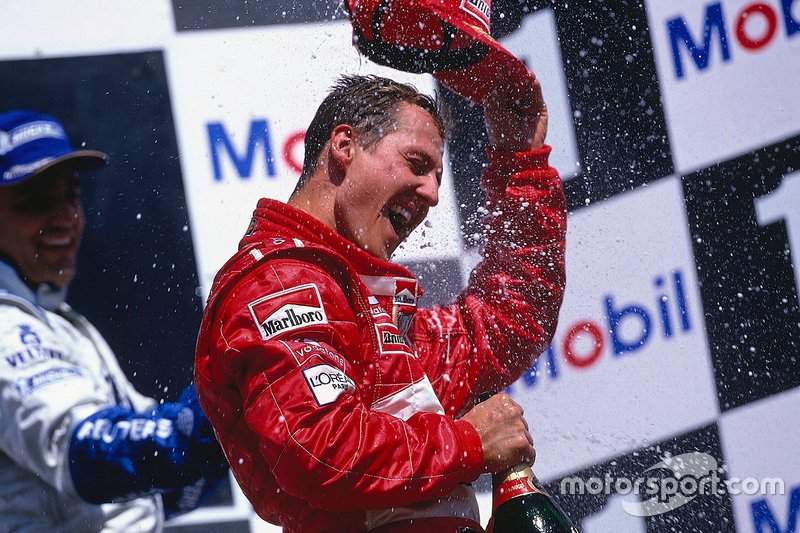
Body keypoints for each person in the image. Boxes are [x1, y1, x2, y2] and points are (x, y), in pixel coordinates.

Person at [195, 72, 566, 533]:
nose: (431, 193)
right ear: (345, 146)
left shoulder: (367, 312)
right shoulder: (278, 280)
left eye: (436, 177)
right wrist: (469, 444)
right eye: (416, 163)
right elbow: (318, 447)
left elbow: (506, 324)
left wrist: (521, 159)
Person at [0, 110, 229, 532]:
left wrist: (240, 426)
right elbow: (89, 459)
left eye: (70, 195)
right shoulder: (7, 327)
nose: (65, 218)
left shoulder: (60, 322)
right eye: (35, 200)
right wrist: (226, 398)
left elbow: (157, 485)